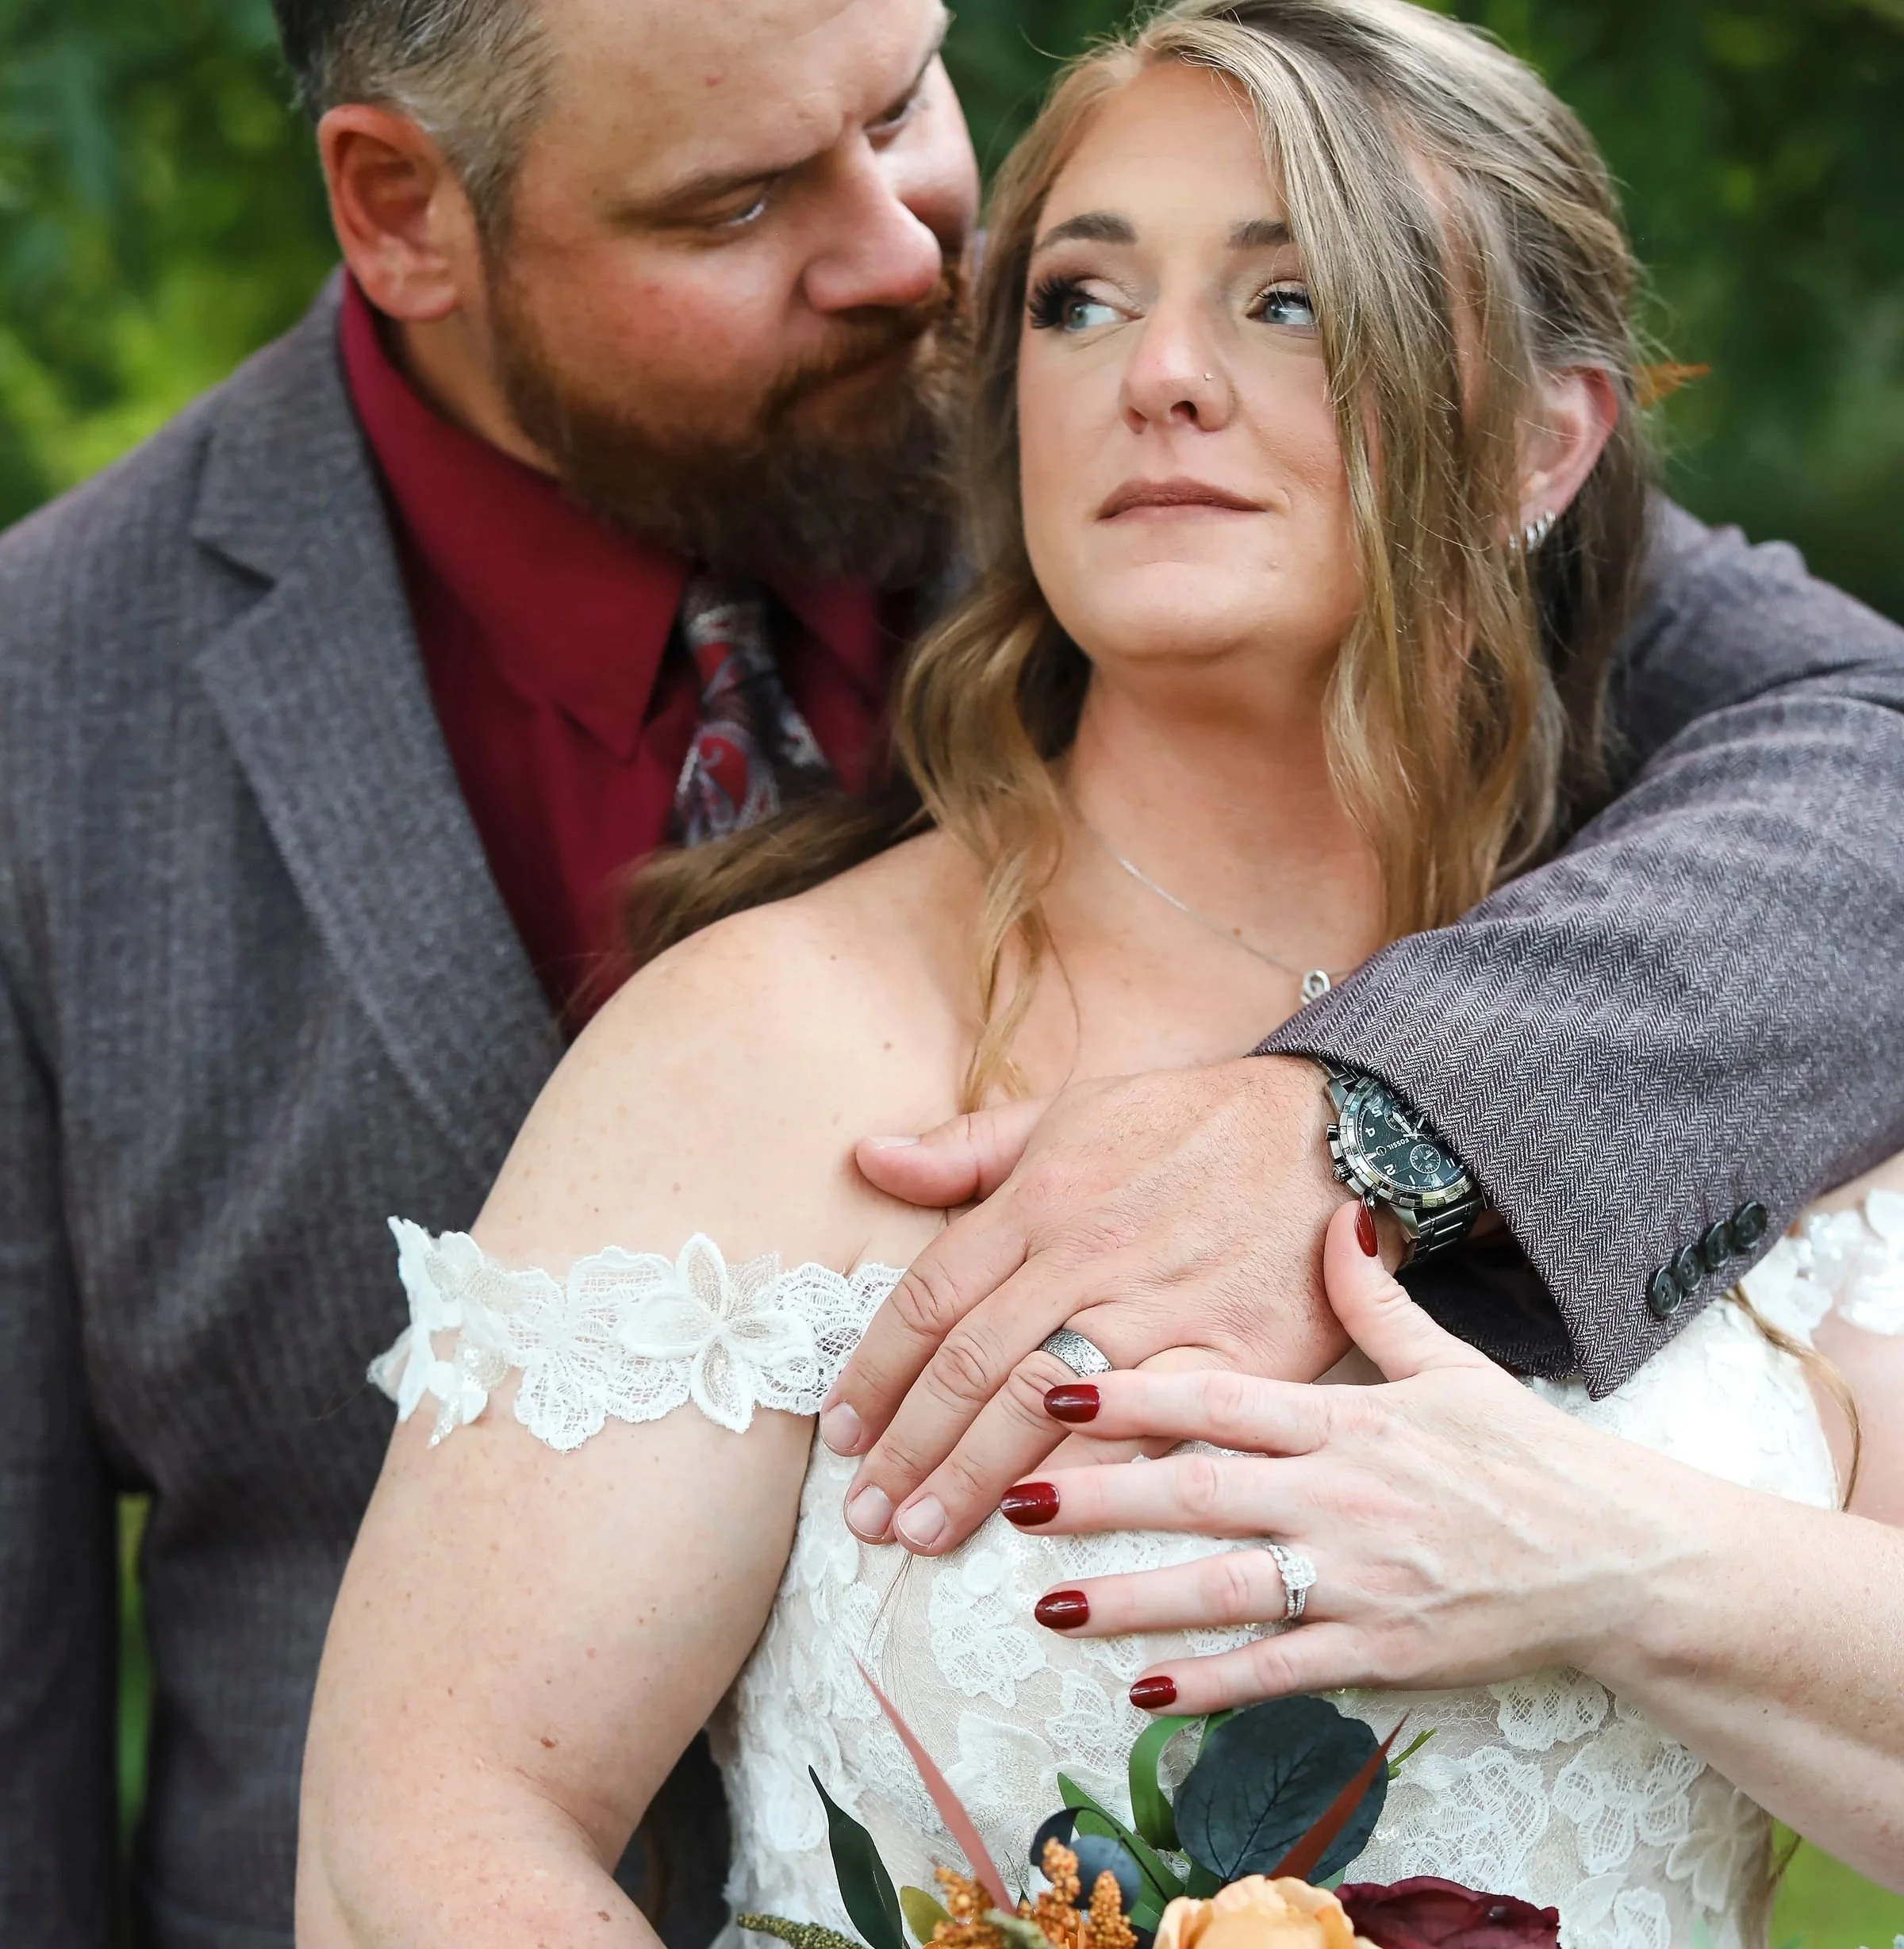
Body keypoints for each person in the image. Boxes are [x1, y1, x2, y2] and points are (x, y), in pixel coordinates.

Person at [2, 0, 1900, 1945]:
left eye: (908, 102)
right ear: (401, 209)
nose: (920, 257)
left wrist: (1376, 1128)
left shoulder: (1720, 958)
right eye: (734, 199)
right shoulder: (58, 716)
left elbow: (1874, 741)